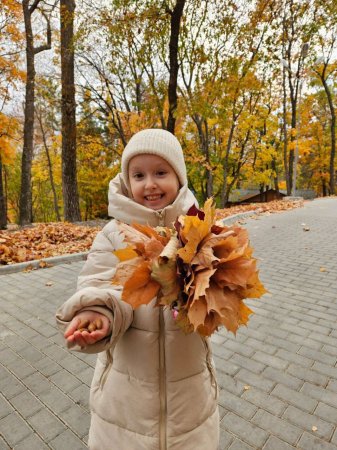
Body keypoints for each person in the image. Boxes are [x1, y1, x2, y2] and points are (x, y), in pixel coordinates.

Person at [56, 128, 219, 450]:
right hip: (125, 398)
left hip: (189, 391)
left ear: (179, 177)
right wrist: (98, 312)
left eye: (161, 172)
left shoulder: (200, 229)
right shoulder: (115, 234)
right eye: (139, 174)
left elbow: (219, 288)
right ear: (127, 181)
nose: (150, 184)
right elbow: (98, 282)